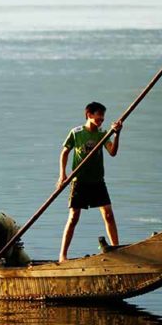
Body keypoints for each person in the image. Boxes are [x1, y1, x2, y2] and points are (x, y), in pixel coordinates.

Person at [57, 102, 121, 263]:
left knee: (108, 214)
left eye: (103, 116)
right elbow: (65, 152)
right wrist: (62, 175)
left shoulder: (102, 134)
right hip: (79, 181)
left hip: (97, 181)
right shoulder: (76, 133)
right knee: (73, 217)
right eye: (99, 115)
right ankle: (63, 255)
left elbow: (112, 152)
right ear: (89, 115)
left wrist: (117, 134)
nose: (102, 119)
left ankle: (116, 249)